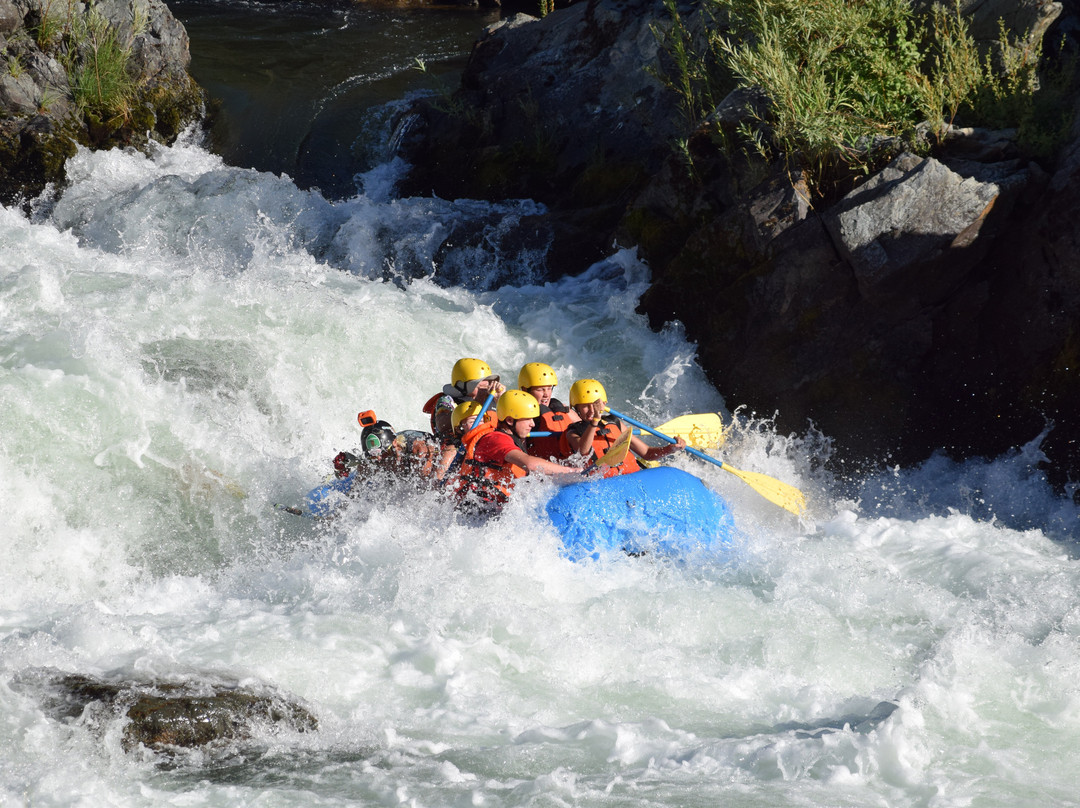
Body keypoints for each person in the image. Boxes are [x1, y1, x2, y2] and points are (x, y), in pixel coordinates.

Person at [455, 389, 581, 509]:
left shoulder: (510, 437)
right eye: (527, 419)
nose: (532, 423)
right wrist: (570, 471)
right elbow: (530, 464)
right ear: (510, 420)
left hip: (492, 506)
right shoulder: (495, 439)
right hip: (476, 510)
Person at [562, 379, 685, 475]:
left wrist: (670, 449)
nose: (591, 410)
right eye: (585, 406)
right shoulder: (572, 431)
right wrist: (595, 420)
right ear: (575, 407)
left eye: (595, 405)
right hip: (602, 483)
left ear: (603, 404)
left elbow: (647, 453)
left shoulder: (614, 422)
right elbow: (583, 451)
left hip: (632, 476)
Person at [422, 358, 503, 445]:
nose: (486, 386)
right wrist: (478, 403)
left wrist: (502, 401)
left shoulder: (493, 398)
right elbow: (444, 426)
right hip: (456, 445)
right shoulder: (447, 400)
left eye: (487, 382)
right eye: (479, 386)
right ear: (462, 385)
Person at [517, 362, 579, 460]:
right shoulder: (518, 414)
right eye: (541, 390)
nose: (546, 394)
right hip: (539, 466)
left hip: (567, 462)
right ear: (525, 389)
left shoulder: (561, 408)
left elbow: (583, 427)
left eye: (549, 389)